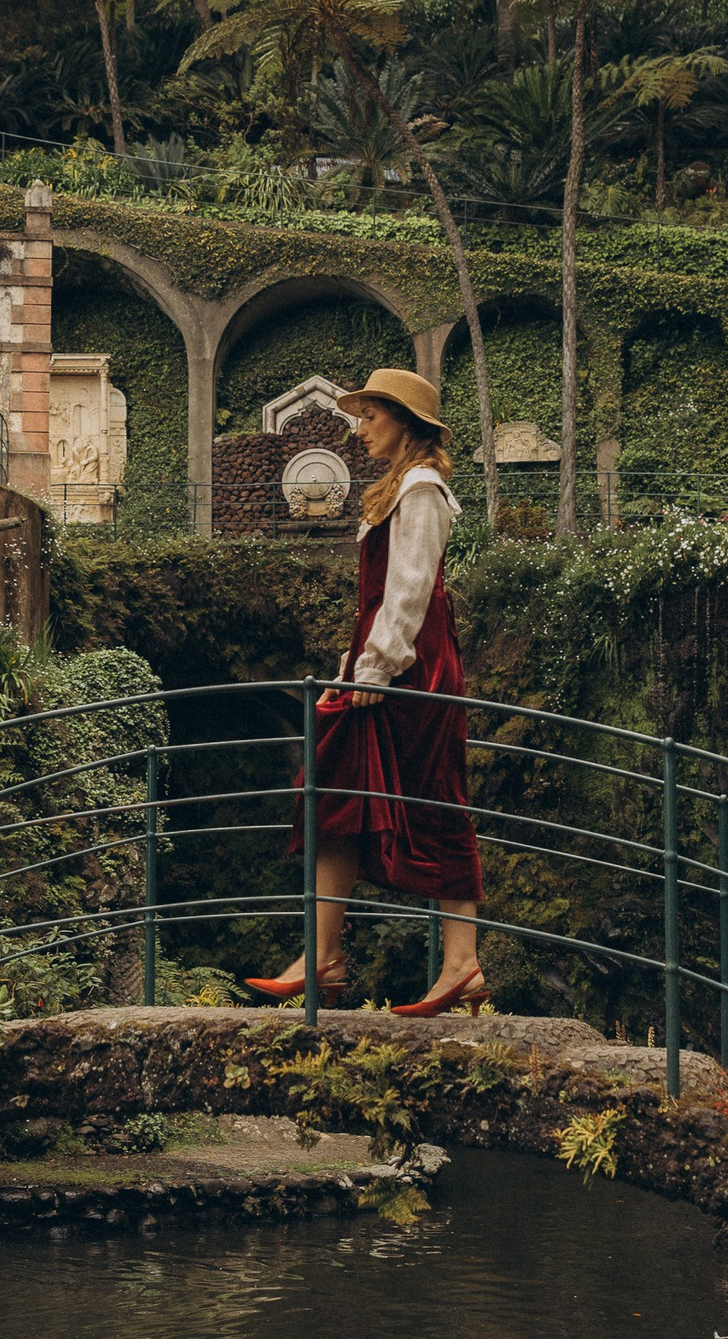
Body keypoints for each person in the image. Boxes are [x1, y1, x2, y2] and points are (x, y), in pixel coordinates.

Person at [246, 368, 487, 1016]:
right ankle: (324, 953)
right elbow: (385, 594)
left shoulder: (423, 487)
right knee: (336, 790)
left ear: (405, 421)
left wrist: (375, 667)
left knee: (436, 799)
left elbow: (412, 588)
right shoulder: (398, 488)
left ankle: (461, 963)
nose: (361, 428)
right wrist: (358, 663)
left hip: (415, 672)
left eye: (372, 415)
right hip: (388, 668)